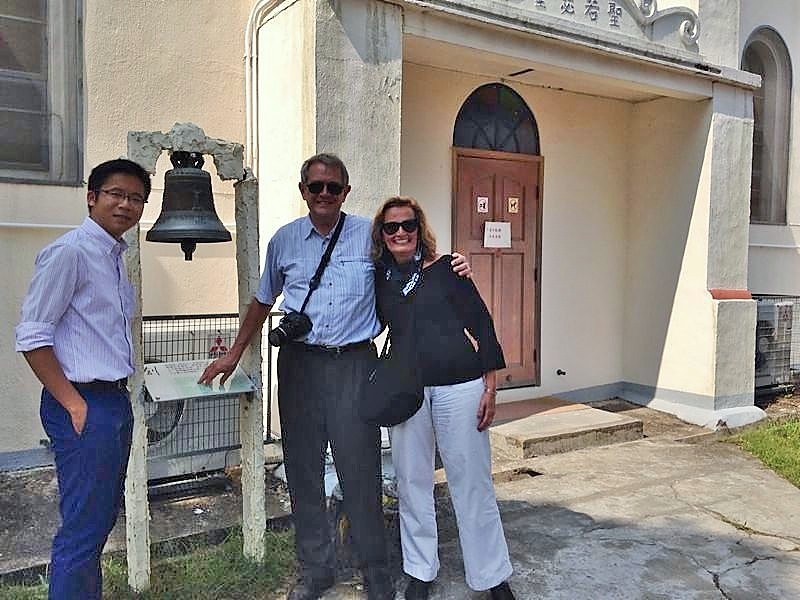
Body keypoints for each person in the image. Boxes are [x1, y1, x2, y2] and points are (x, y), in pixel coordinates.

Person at [198, 154, 469, 600]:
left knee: (359, 470)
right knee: (302, 471)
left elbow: (411, 262)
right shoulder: (285, 241)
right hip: (300, 366)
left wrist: (455, 269)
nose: (325, 194)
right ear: (303, 190)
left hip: (354, 365)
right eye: (316, 186)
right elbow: (263, 300)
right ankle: (316, 570)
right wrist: (234, 352)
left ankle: (376, 573)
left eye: (334, 187)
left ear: (346, 192)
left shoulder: (369, 234)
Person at [15, 159, 151, 599]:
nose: (125, 205)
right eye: (115, 194)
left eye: (135, 198)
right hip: (82, 402)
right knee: (83, 526)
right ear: (92, 197)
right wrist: (74, 404)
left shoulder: (113, 257)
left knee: (99, 518)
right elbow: (33, 336)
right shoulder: (70, 252)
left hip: (112, 401)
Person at [371, 196, 516, 600]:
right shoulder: (379, 277)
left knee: (472, 483)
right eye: (391, 226)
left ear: (420, 228)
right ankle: (420, 570)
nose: (400, 232)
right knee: (412, 482)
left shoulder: (450, 269)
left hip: (461, 386)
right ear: (382, 235)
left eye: (408, 224)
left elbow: (482, 325)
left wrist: (490, 387)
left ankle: (491, 575)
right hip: (406, 391)